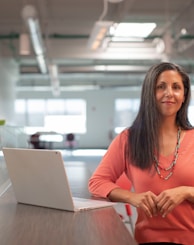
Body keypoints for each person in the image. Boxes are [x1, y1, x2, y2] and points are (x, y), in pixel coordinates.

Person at [88, 62, 194, 245]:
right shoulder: (128, 139)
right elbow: (97, 182)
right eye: (161, 87)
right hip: (146, 240)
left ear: (184, 96)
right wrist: (132, 197)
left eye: (176, 87)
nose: (169, 93)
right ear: (149, 94)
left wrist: (186, 192)